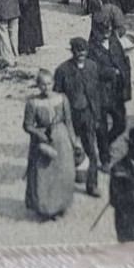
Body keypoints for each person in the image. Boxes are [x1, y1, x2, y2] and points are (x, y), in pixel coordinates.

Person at [22, 67, 77, 221]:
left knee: (63, 173)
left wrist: (74, 142)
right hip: (42, 142)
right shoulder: (32, 102)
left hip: (61, 139)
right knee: (43, 174)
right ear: (37, 85)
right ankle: (45, 209)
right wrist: (39, 134)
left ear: (53, 83)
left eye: (49, 83)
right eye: (42, 85)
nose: (46, 87)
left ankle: (60, 206)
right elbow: (27, 125)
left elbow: (68, 122)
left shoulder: (62, 98)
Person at [53, 37, 103, 197]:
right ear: (72, 51)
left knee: (91, 151)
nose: (81, 55)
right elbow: (56, 95)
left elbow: (96, 94)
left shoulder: (92, 67)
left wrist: (97, 116)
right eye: (78, 52)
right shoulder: (62, 70)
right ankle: (64, 183)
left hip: (87, 115)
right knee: (66, 151)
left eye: (84, 52)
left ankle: (92, 184)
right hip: (70, 116)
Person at [88, 23, 128, 166]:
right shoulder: (92, 49)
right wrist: (111, 72)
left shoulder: (115, 43)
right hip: (100, 93)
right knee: (102, 128)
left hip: (116, 92)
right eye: (103, 30)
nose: (106, 33)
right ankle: (105, 159)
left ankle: (106, 143)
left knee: (121, 124)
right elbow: (92, 70)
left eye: (109, 30)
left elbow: (124, 62)